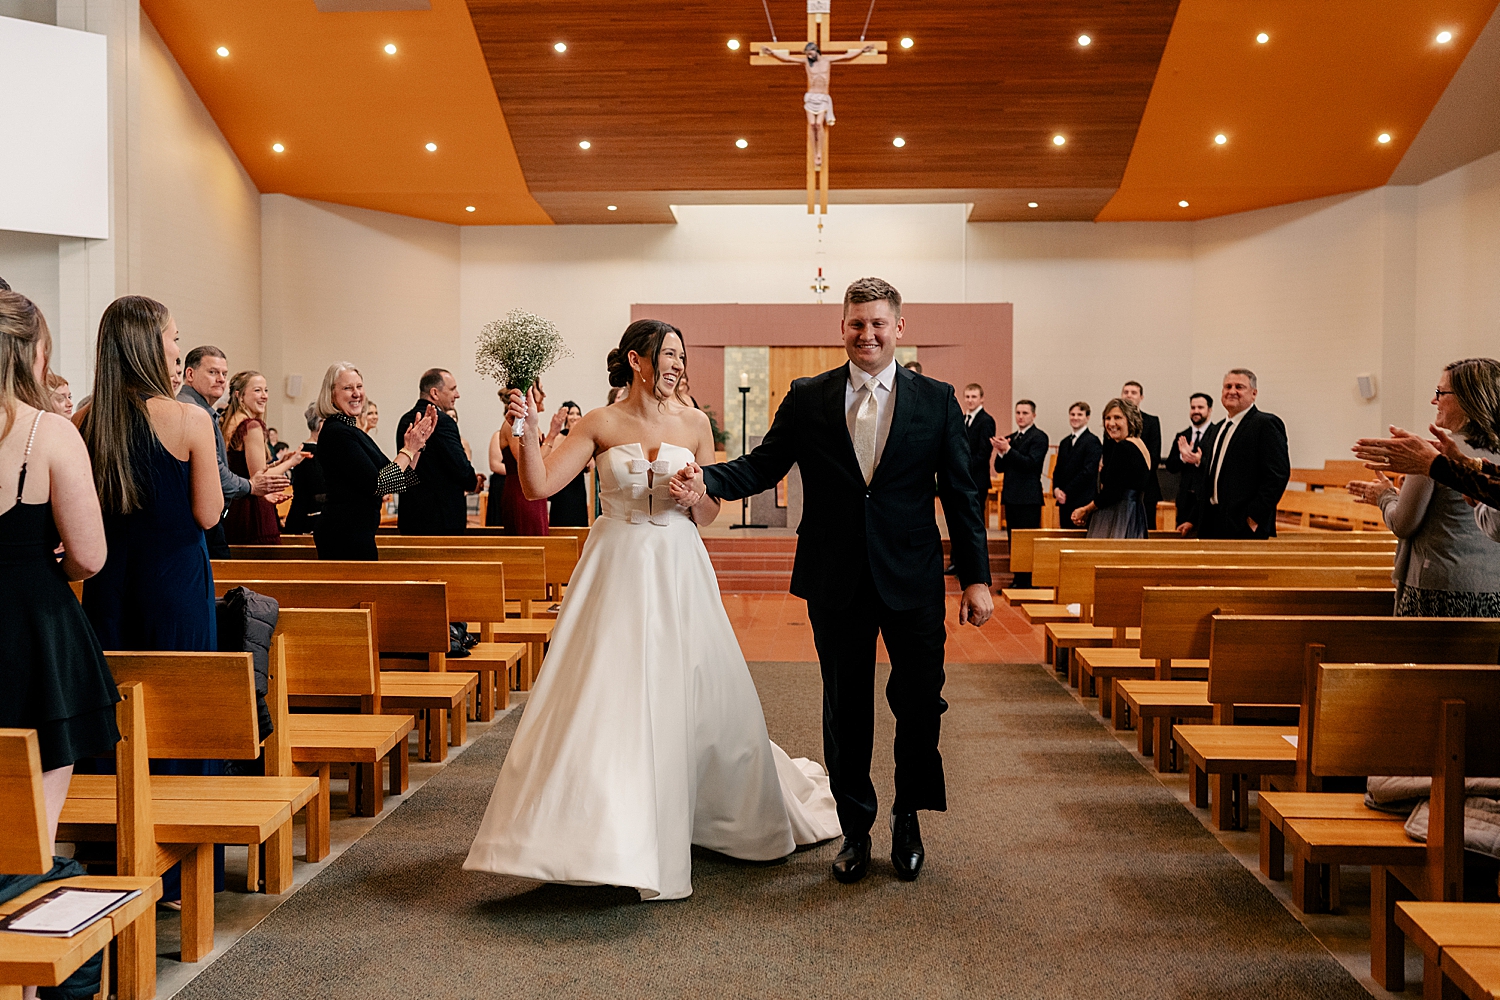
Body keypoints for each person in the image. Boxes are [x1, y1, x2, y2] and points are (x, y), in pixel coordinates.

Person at [466, 319, 840, 900]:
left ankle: (698, 810)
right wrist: (530, 431)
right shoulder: (599, 422)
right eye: (668, 354)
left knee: (686, 688)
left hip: (676, 567)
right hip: (614, 566)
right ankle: (598, 834)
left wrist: (697, 497)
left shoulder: (695, 425)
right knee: (606, 695)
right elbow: (538, 487)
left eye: (681, 356)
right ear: (637, 361)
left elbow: (708, 514)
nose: (677, 365)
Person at [681, 277, 992, 885]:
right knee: (845, 707)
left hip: (912, 575)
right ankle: (855, 829)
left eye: (878, 324)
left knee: (919, 702)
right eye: (856, 324)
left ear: (899, 328)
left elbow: (962, 493)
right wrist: (706, 479)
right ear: (842, 327)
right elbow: (764, 464)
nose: (867, 334)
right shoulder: (809, 396)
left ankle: (908, 816)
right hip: (836, 576)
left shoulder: (936, 400)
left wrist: (976, 578)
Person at [0, 291, 117, 866]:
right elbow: (89, 556)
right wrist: (55, 566)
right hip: (33, 629)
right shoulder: (49, 431)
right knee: (32, 842)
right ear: (33, 353)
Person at [1347, 360, 1500, 617]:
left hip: (1440, 586)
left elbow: (1404, 523)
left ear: (1467, 398)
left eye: (1440, 392)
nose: (1433, 400)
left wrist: (1384, 496)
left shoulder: (1427, 454)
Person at [177, 346, 290, 558]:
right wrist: (252, 486)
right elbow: (213, 470)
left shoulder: (208, 413)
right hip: (198, 519)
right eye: (212, 372)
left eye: (224, 373)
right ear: (190, 374)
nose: (221, 379)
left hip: (218, 513)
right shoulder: (191, 410)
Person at [313, 363, 434, 559]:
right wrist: (409, 449)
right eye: (348, 388)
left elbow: (398, 478)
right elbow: (379, 484)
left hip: (357, 531)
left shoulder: (352, 431)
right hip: (343, 533)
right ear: (331, 394)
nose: (356, 394)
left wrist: (418, 444)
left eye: (359, 386)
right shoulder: (337, 433)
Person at [1177, 369, 1290, 539]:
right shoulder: (1217, 428)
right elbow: (1210, 479)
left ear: (1254, 393)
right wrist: (1193, 519)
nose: (1232, 391)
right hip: (1212, 522)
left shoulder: (1265, 424)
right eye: (1228, 386)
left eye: (1239, 387)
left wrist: (1254, 518)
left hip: (1243, 525)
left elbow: (1277, 476)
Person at [758, 41, 876, 167]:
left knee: (819, 124)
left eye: (810, 53)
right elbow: (788, 59)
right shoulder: (806, 62)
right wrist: (772, 52)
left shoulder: (827, 60)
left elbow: (846, 57)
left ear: (816, 51)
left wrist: (862, 50)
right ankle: (814, 154)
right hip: (811, 96)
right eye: (807, 54)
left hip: (822, 97)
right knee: (812, 124)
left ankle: (819, 152)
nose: (809, 56)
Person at [221, 371, 304, 545]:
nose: (264, 396)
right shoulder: (251, 426)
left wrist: (277, 463)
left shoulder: (227, 422)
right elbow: (260, 478)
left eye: (266, 390)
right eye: (257, 390)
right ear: (240, 395)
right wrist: (292, 461)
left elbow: (241, 467)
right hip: (253, 512)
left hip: (234, 508)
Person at [395, 369, 480, 536]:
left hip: (410, 515)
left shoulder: (405, 420)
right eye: (452, 389)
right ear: (435, 393)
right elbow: (459, 466)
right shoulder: (442, 422)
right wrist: (473, 482)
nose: (457, 395)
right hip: (441, 519)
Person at [1072, 398, 1151, 538]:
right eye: (1107, 418)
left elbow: (1111, 492)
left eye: (1118, 417)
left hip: (1119, 515)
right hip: (1135, 514)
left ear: (1130, 419)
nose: (1111, 423)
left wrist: (1086, 510)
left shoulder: (1124, 447)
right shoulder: (1140, 444)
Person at [991, 399, 1048, 588]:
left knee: (1026, 541)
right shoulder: (1012, 438)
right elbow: (999, 467)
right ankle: (1017, 577)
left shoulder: (1039, 437)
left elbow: (1031, 464)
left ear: (1034, 415)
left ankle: (1027, 580)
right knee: (1013, 541)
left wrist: (1008, 450)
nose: (1021, 417)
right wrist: (1001, 452)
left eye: (1025, 413)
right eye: (1018, 413)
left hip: (1028, 498)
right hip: (1012, 496)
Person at [497, 380, 554, 536]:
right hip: (521, 492)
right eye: (540, 390)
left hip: (535, 492)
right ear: (529, 393)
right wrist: (552, 435)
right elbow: (525, 461)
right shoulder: (513, 425)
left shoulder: (534, 426)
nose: (544, 395)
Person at [1164, 392, 1219, 524]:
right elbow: (1170, 466)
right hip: (1185, 500)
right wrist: (1183, 458)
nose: (1196, 411)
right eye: (1193, 407)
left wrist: (1199, 461)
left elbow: (1219, 466)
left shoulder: (1217, 433)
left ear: (1209, 410)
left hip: (1207, 501)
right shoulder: (1182, 435)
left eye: (1200, 407)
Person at [1052, 401, 1101, 529]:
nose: (1075, 417)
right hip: (1064, 501)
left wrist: (1066, 491)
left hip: (1082, 500)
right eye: (1072, 414)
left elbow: (1088, 472)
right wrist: (1056, 489)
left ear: (1087, 418)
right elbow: (1058, 469)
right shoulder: (1064, 442)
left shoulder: (1092, 441)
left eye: (1079, 414)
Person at [1120, 380, 1163, 521]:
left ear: (1141, 397)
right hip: (1119, 488)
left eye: (1133, 392)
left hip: (1146, 487)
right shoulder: (1114, 422)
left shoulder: (1152, 421)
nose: (1129, 395)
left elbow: (1154, 457)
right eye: (1126, 392)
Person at [284, 403, 326, 535]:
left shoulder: (320, 451)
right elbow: (318, 489)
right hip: (307, 520)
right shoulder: (308, 453)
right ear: (320, 423)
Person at [548, 400, 590, 526]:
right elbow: (554, 460)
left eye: (578, 413)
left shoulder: (584, 438)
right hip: (562, 486)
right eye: (571, 413)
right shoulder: (558, 437)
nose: (575, 417)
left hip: (578, 487)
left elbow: (590, 465)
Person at [960, 383, 996, 501]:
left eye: (974, 397)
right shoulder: (962, 419)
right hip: (963, 478)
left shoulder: (986, 421)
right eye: (967, 397)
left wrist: (964, 465)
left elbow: (984, 453)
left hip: (977, 478)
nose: (970, 400)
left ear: (982, 399)